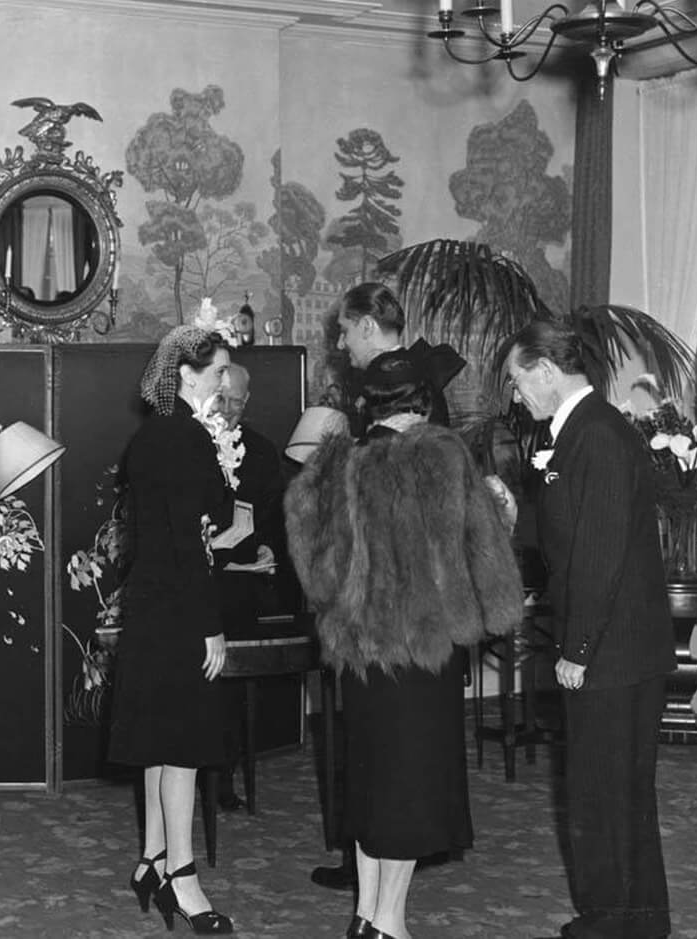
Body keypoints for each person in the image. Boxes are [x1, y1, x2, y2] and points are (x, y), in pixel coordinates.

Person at [285, 346, 523, 939]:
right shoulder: (444, 455)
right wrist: (497, 608)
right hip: (424, 650)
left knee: (370, 782)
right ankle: (389, 923)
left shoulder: (342, 463)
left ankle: (366, 913)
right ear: (422, 401)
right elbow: (484, 549)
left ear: (370, 404)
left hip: (359, 654)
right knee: (411, 790)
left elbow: (312, 566)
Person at [504, 320, 675, 939]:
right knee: (615, 789)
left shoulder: (596, 435)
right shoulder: (579, 431)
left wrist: (577, 651)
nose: (516, 394)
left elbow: (599, 554)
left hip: (612, 651)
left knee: (607, 790)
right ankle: (635, 918)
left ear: (547, 371)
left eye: (519, 380)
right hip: (617, 646)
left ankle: (618, 919)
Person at [312, 282, 467, 891]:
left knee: (385, 753)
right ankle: (374, 878)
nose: (342, 344)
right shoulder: (426, 397)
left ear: (368, 327)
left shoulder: (393, 402)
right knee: (385, 751)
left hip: (394, 614)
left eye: (346, 331)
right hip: (405, 614)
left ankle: (375, 876)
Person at [108, 326, 235, 935]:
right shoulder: (187, 437)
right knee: (181, 748)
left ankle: (152, 861)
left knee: (160, 742)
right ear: (185, 374)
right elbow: (196, 538)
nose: (225, 383)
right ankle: (183, 879)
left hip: (148, 605)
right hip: (182, 607)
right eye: (216, 373)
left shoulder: (146, 439)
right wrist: (211, 628)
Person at [211, 363, 296, 810]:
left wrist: (267, 550)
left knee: (232, 692)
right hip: (192, 586)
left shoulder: (262, 453)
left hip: (240, 589)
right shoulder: (184, 443)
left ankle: (225, 779)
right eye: (219, 398)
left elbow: (271, 520)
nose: (226, 410)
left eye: (236, 402)